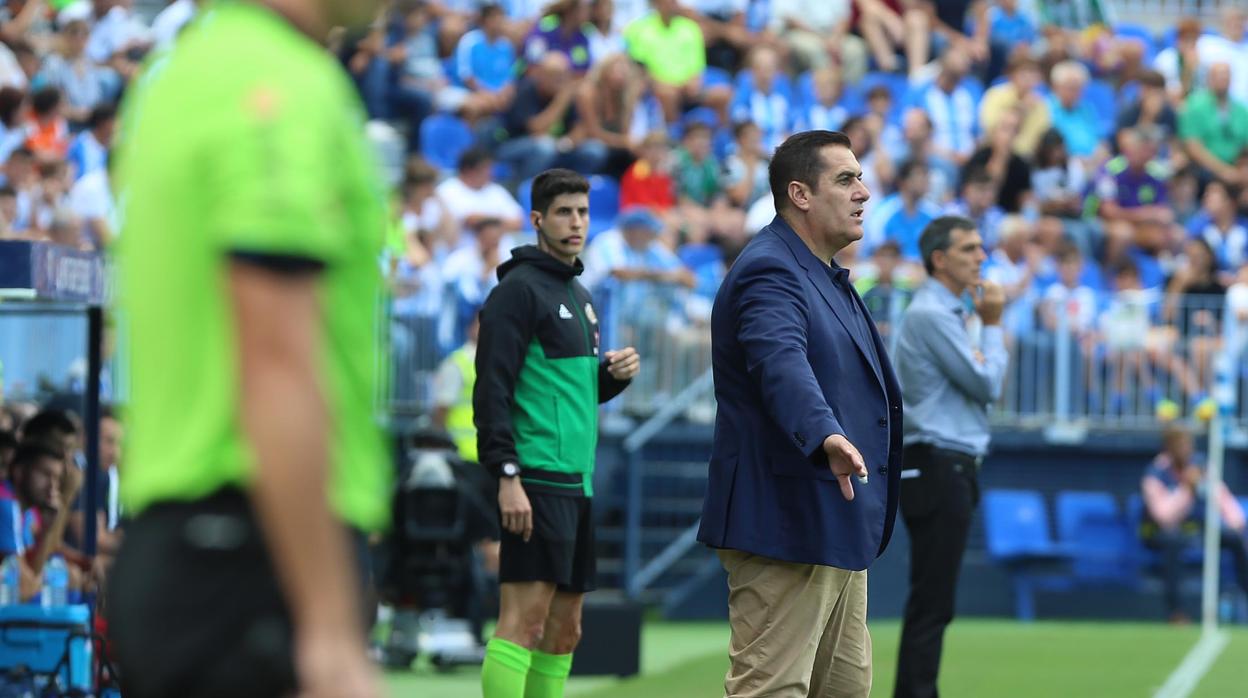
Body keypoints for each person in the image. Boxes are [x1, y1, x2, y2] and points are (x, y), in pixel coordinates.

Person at [107, 1, 391, 697]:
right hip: (249, 557)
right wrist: (327, 626)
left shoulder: (185, 73)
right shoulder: (280, 86)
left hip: (197, 546)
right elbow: (275, 359)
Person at [698, 130, 903, 698]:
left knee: (842, 691)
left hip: (834, 520)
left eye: (861, 177)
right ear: (800, 194)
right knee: (772, 689)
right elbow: (779, 362)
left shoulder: (826, 273)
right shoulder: (771, 269)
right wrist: (825, 435)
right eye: (845, 179)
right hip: (785, 518)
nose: (863, 191)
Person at [474, 169, 640, 698]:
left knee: (566, 631)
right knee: (524, 622)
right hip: (536, 478)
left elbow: (563, 392)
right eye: (564, 212)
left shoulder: (581, 294)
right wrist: (506, 474)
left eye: (584, 212)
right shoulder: (516, 293)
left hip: (578, 481)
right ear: (538, 220)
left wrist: (606, 381)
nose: (576, 222)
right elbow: (492, 391)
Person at [893, 216, 1008, 698]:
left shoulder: (945, 313)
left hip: (943, 462)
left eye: (981, 248)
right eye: (969, 249)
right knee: (933, 600)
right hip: (938, 462)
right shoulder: (934, 314)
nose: (982, 257)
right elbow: (987, 384)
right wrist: (994, 326)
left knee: (933, 597)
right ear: (939, 259)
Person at [1141, 424, 1248, 624]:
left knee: (1235, 539)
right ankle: (1176, 612)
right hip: (1161, 533)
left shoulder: (1201, 466)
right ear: (1169, 448)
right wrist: (1186, 489)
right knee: (1173, 543)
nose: (1185, 449)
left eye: (1187, 444)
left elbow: (1222, 497)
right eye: (1180, 445)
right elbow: (1164, 517)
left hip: (1197, 530)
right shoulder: (1154, 474)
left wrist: (1236, 521)